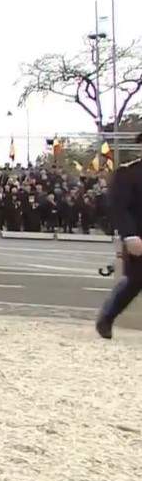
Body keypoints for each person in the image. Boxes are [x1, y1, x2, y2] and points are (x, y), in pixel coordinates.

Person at [98, 143, 142, 338]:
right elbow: (120, 208)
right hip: (138, 238)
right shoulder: (128, 174)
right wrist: (130, 236)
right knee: (135, 281)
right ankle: (106, 317)